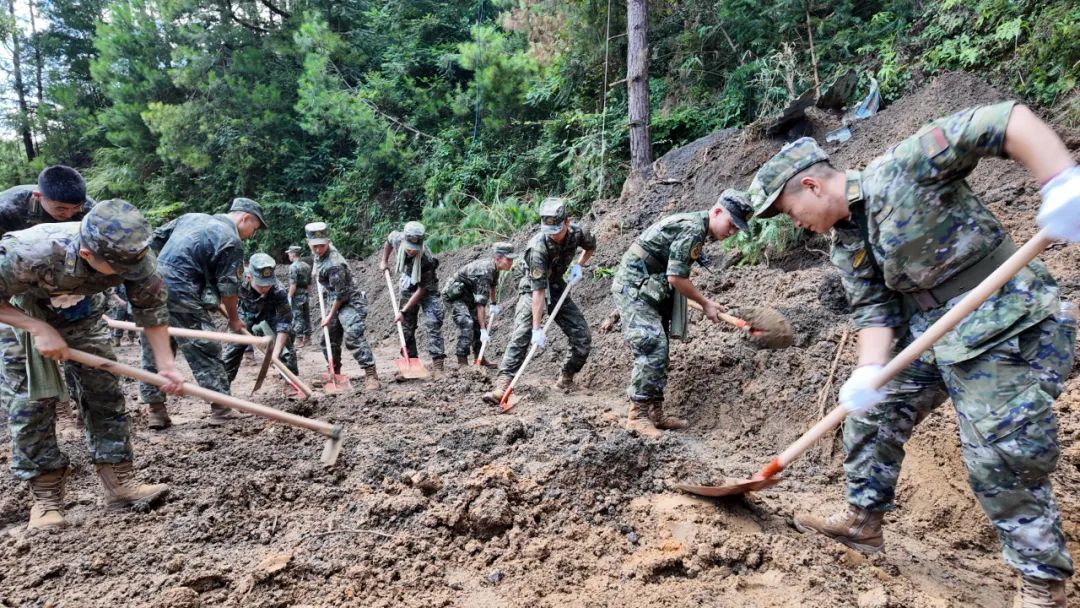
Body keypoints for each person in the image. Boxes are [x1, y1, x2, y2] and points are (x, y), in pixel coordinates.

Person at [747, 101, 1080, 606]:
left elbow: (1004, 120)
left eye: (791, 212)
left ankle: (1041, 582)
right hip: (934, 331)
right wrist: (867, 372)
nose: (796, 225)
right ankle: (863, 522)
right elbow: (875, 313)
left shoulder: (904, 167)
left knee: (999, 451)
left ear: (811, 187)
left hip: (1007, 317)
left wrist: (1060, 181)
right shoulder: (845, 243)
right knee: (873, 413)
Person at [0, 199, 186, 530]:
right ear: (88, 255)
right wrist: (38, 328)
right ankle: (45, 498)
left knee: (104, 391)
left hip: (82, 314)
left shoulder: (134, 253)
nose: (132, 273)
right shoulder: (28, 252)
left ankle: (120, 484)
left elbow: (151, 310)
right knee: (30, 402)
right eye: (121, 270)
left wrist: (166, 364)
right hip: (19, 314)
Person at [613, 190, 751, 437]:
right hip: (634, 285)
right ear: (717, 212)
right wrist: (706, 303)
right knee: (652, 345)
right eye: (731, 224)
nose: (732, 232)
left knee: (660, 349)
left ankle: (655, 413)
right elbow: (676, 277)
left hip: (650, 286)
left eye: (737, 229)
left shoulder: (696, 228)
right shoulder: (692, 229)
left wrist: (704, 301)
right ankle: (637, 416)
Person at [139, 197, 266, 428]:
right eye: (254, 229)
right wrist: (235, 320)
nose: (251, 234)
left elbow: (152, 241)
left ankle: (155, 410)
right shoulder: (231, 240)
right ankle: (222, 408)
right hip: (179, 289)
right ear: (244, 218)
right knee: (203, 345)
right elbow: (229, 288)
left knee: (155, 345)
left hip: (148, 285)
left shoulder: (190, 217)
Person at [0, 166, 96, 410]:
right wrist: (34, 325)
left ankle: (84, 407)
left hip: (70, 290)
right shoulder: (7, 210)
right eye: (60, 209)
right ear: (38, 197)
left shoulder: (90, 211)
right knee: (27, 391)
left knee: (93, 373)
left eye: (75, 209)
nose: (68, 215)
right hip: (12, 294)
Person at [483, 198, 596, 404]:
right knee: (522, 333)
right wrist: (537, 328)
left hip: (557, 284)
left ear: (567, 222)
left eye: (557, 230)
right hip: (532, 288)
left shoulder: (577, 233)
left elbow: (590, 246)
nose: (552, 234)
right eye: (549, 230)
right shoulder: (538, 247)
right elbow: (538, 292)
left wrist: (579, 265)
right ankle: (502, 385)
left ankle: (566, 378)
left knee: (582, 336)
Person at [306, 222, 380, 391]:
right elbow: (319, 260)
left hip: (349, 301)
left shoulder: (334, 264)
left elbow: (341, 295)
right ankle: (335, 374)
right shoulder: (320, 254)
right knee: (328, 340)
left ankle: (371, 374)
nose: (318, 250)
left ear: (328, 242)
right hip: (335, 298)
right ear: (308, 243)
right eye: (314, 246)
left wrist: (329, 316)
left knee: (353, 335)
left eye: (321, 246)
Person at [379, 221, 447, 378]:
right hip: (408, 285)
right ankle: (412, 363)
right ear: (403, 240)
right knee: (406, 326)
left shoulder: (427, 260)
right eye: (408, 248)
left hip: (427, 290)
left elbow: (422, 289)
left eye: (414, 250)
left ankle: (438, 367)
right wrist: (384, 260)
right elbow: (388, 241)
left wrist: (403, 310)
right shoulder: (397, 238)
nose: (411, 252)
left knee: (433, 323)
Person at [222, 254, 298, 388]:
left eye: (268, 283)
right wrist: (233, 318)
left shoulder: (278, 290)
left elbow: (284, 323)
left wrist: (275, 353)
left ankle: (292, 385)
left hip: (269, 316)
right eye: (261, 284)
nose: (265, 288)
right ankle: (221, 389)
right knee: (231, 351)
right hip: (243, 316)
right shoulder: (236, 280)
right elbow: (222, 296)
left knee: (286, 349)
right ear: (249, 276)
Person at [442, 242, 517, 368]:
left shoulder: (495, 268)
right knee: (467, 323)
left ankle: (480, 358)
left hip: (467, 293)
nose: (511, 263)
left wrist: (493, 303)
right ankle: (462, 362)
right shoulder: (484, 272)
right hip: (454, 295)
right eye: (508, 259)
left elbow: (493, 286)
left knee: (477, 322)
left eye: (512, 260)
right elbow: (480, 305)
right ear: (498, 258)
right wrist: (483, 330)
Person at [286, 245, 313, 347]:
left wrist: (289, 296)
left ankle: (299, 339)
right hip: (305, 294)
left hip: (297, 295)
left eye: (289, 253)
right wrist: (309, 294)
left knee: (297, 316)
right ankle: (308, 338)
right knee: (306, 316)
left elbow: (293, 285)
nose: (288, 255)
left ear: (293, 254)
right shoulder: (306, 266)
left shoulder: (293, 267)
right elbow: (309, 283)